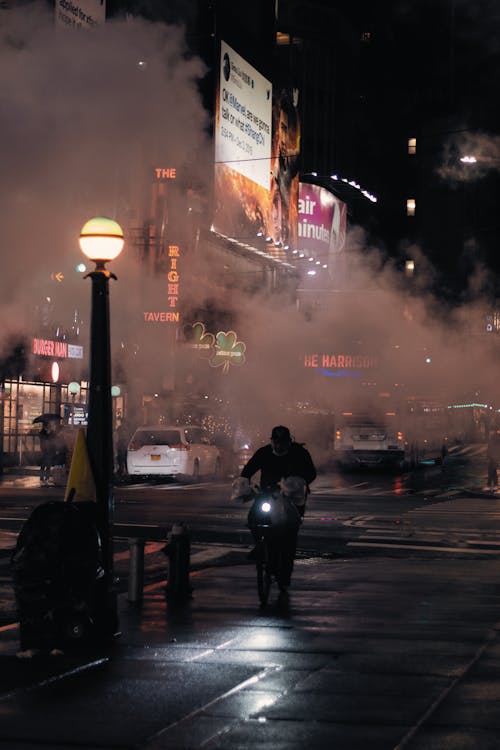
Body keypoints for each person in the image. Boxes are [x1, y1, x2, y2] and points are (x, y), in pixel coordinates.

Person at [240, 425, 316, 589]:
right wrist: (244, 482)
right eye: (276, 442)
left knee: (289, 535)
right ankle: (260, 547)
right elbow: (248, 469)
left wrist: (297, 483)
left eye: (282, 443)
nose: (279, 446)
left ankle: (285, 575)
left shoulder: (299, 453)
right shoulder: (264, 452)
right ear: (272, 441)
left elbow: (311, 473)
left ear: (289, 442)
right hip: (267, 495)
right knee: (253, 518)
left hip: (293, 499)